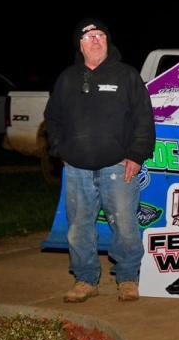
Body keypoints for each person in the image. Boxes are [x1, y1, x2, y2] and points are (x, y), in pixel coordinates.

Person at [45, 19, 154, 304]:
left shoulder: (127, 76)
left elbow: (144, 120)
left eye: (101, 35)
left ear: (108, 41)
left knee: (125, 226)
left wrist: (135, 155)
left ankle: (128, 278)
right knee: (78, 227)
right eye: (89, 36)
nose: (96, 40)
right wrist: (61, 150)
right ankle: (85, 279)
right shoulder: (67, 78)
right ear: (79, 44)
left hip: (118, 166)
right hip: (77, 168)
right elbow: (52, 119)